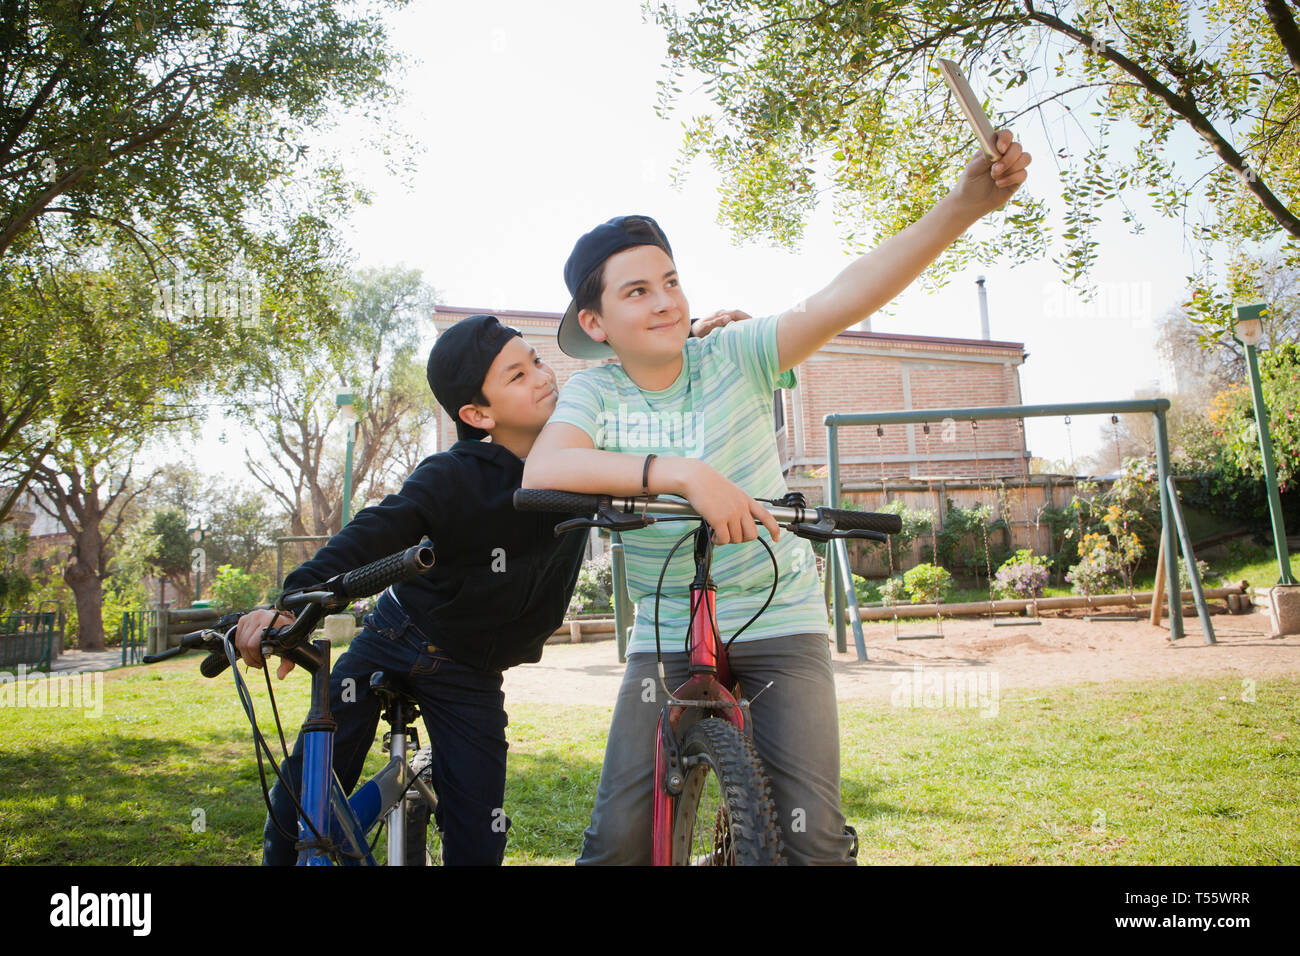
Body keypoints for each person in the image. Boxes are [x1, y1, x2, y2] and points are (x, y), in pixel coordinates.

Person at [522, 130, 1032, 864]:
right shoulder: (598, 388)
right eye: (637, 291)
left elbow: (840, 299)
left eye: (671, 281)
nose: (665, 301)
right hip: (668, 626)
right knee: (616, 843)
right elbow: (546, 469)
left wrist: (961, 207)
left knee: (813, 841)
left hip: (778, 609)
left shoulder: (734, 353)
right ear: (597, 324)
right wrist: (686, 474)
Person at [234, 310, 748, 865]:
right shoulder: (452, 475)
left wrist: (688, 336)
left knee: (479, 838)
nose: (543, 375)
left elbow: (633, 373)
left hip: (471, 674)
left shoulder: (587, 460)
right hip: (395, 636)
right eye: (518, 376)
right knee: (296, 808)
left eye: (534, 360)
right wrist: (287, 604)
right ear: (478, 414)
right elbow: (373, 532)